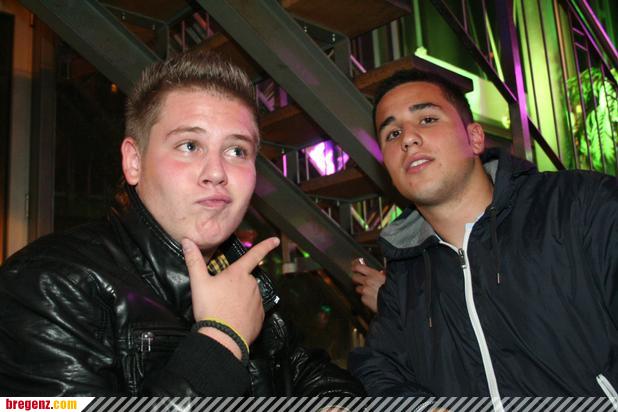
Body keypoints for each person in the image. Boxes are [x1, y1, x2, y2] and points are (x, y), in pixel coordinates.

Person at [0, 50, 364, 396]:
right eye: (189, 145)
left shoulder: (238, 274)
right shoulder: (47, 285)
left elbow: (308, 370)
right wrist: (221, 339)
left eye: (237, 150)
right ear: (134, 162)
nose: (216, 172)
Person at [348, 69, 618, 403]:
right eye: (392, 134)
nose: (408, 138)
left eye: (428, 119)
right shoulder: (404, 275)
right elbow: (379, 370)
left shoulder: (579, 205)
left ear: (475, 138)